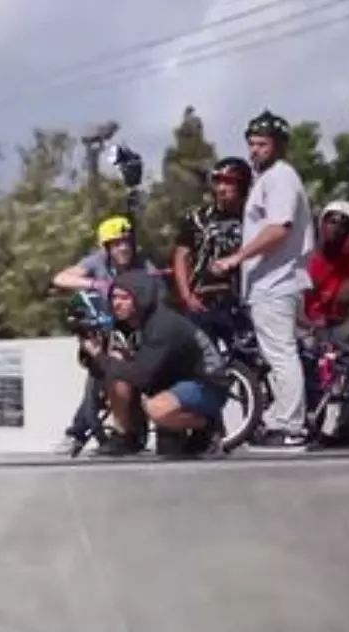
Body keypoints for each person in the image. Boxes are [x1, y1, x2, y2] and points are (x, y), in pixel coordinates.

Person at [212, 110, 315, 449]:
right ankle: (284, 419)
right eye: (251, 144)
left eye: (262, 144)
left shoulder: (280, 178)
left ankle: (290, 425)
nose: (254, 150)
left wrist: (236, 258)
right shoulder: (269, 179)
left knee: (281, 353)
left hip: (276, 281)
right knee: (277, 353)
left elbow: (278, 228)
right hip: (267, 283)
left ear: (280, 145)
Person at [80, 269, 230, 457]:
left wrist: (100, 357)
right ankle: (126, 436)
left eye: (125, 298)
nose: (117, 303)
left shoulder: (162, 324)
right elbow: (115, 369)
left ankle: (208, 426)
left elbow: (142, 376)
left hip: (207, 383)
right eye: (114, 298)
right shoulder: (133, 319)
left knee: (156, 409)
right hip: (171, 380)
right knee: (117, 362)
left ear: (140, 297)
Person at [51, 215, 160, 454]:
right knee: (99, 374)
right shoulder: (97, 262)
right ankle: (77, 433)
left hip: (134, 329)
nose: (123, 247)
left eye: (127, 242)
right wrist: (95, 285)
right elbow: (60, 278)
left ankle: (82, 433)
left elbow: (156, 291)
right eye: (116, 243)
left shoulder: (144, 264)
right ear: (106, 247)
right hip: (103, 328)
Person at [172, 156, 253, 347]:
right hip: (203, 299)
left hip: (244, 300)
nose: (221, 188)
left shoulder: (255, 219)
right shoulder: (197, 218)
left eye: (229, 182)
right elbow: (181, 256)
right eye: (218, 181)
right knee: (205, 362)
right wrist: (186, 295)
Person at [303, 200, 349, 356]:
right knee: (308, 349)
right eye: (332, 222)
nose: (336, 228)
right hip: (305, 324)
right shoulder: (306, 257)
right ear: (322, 225)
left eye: (344, 225)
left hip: (335, 325)